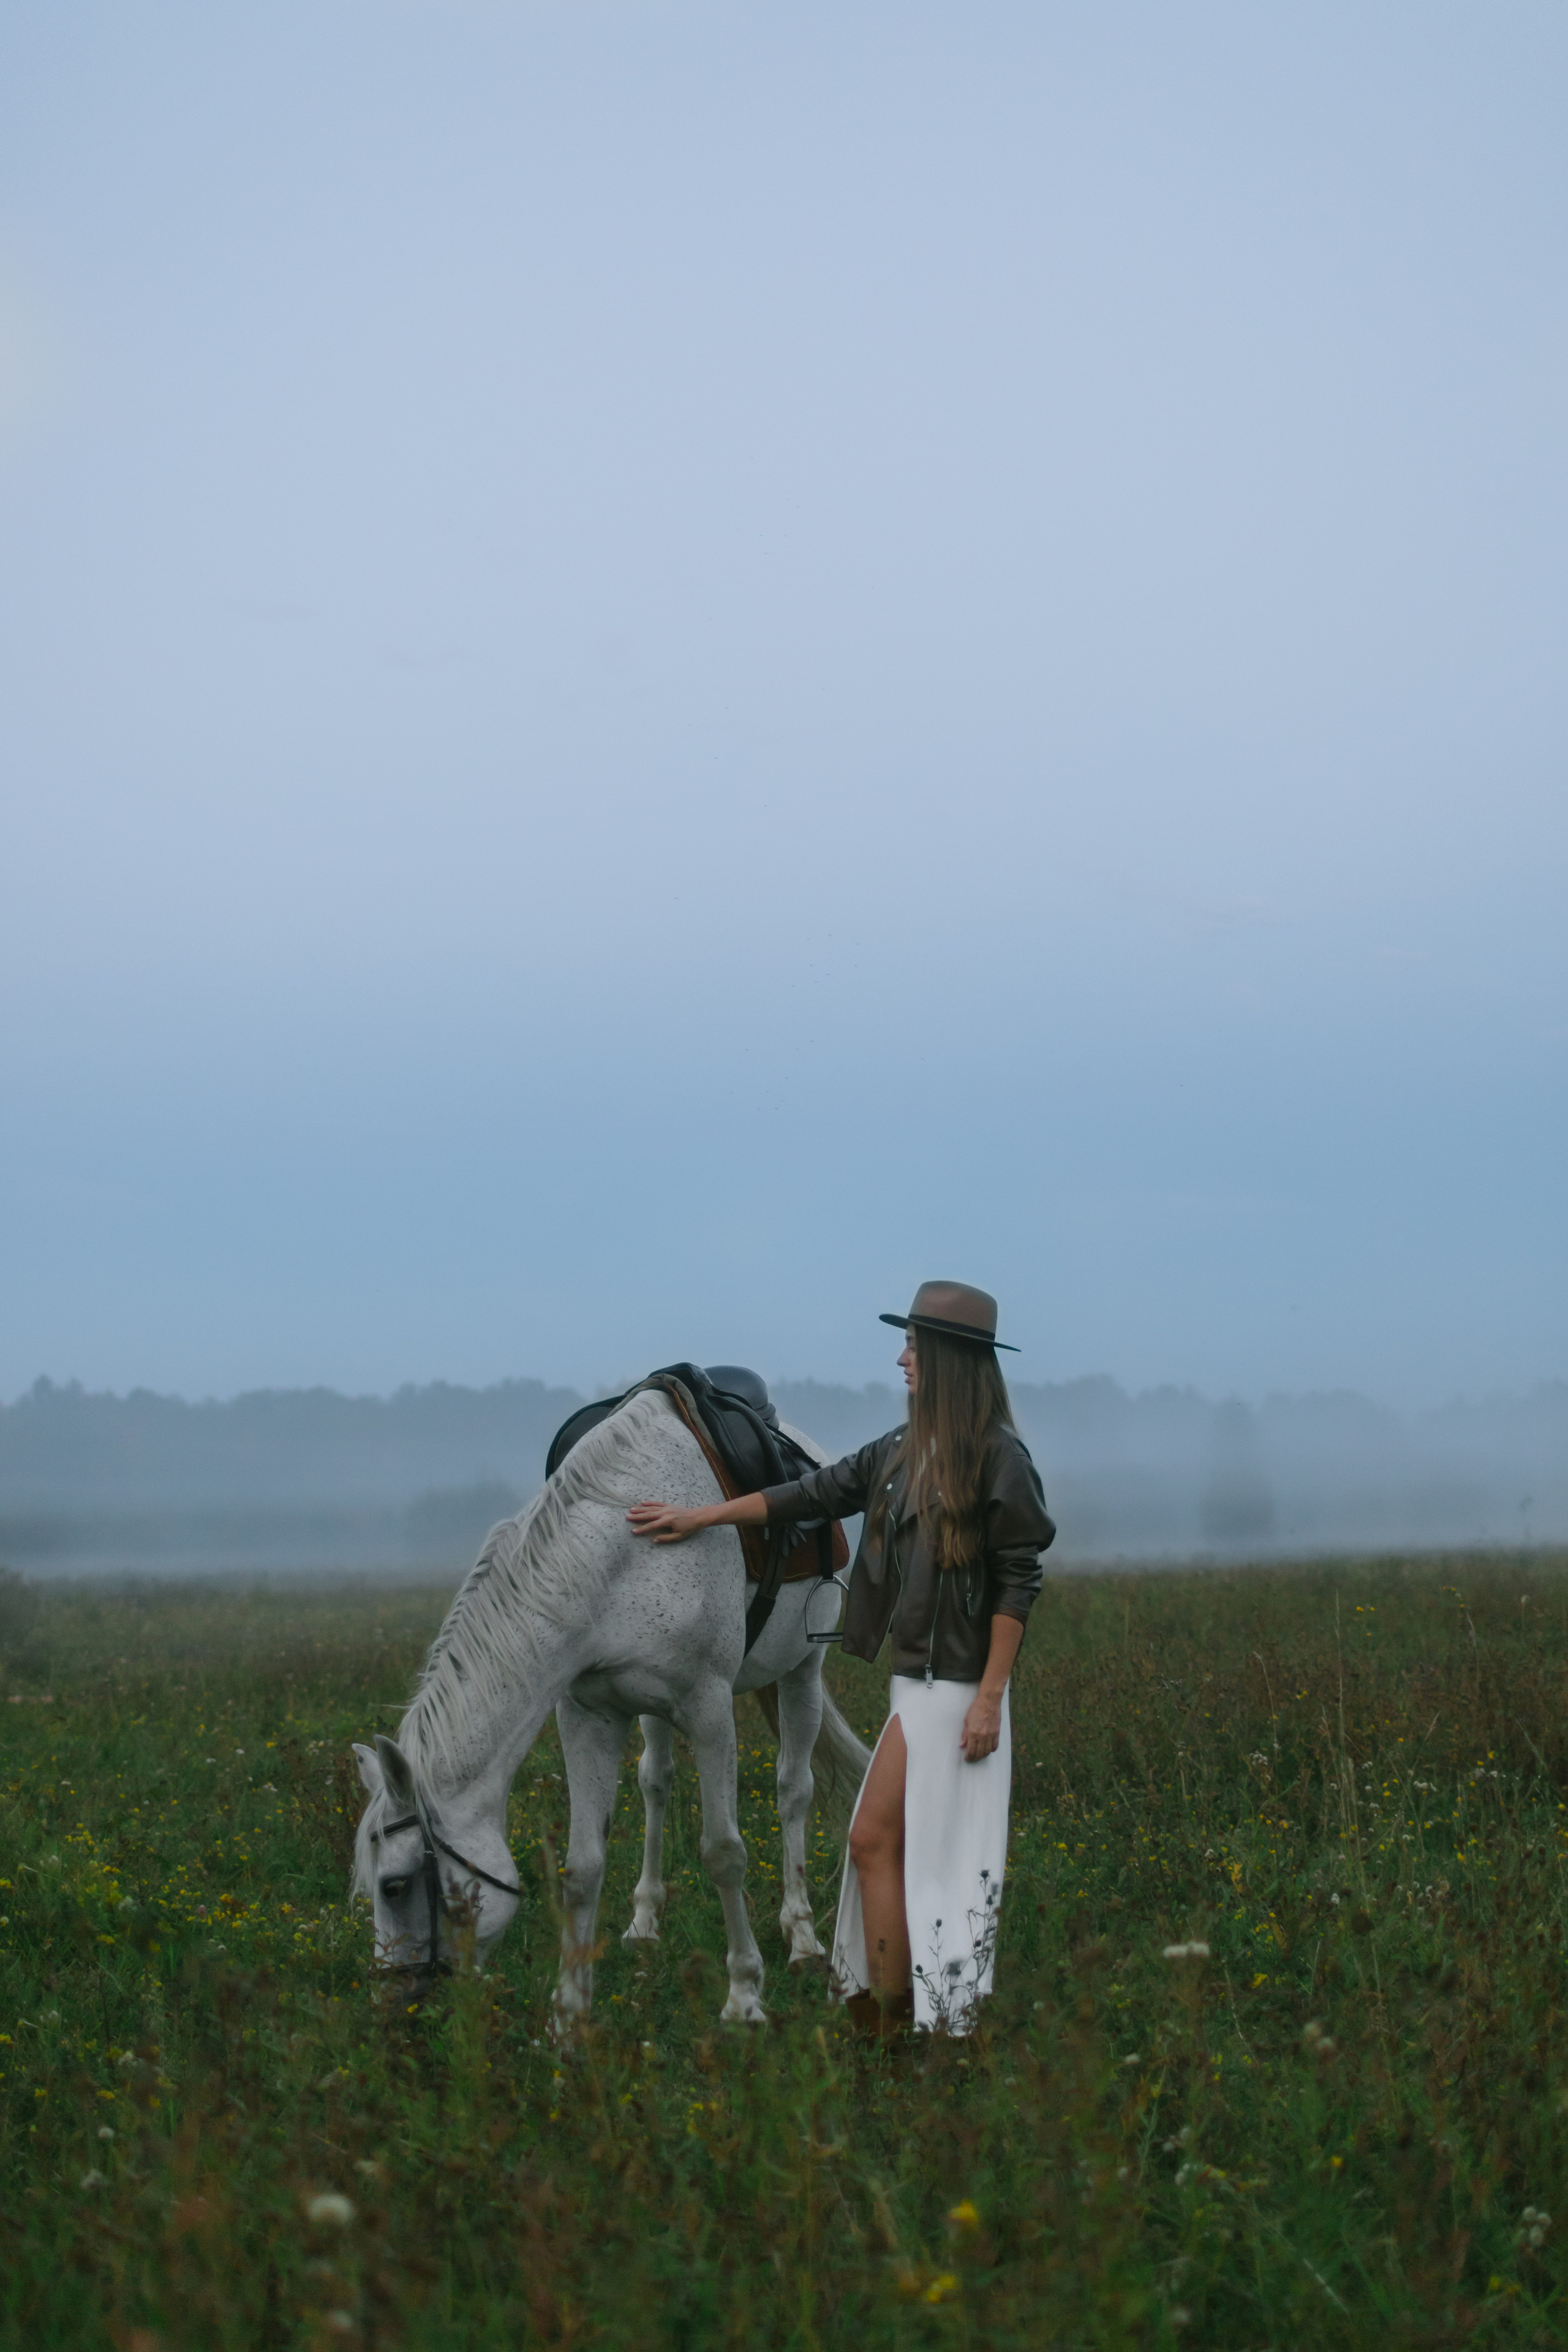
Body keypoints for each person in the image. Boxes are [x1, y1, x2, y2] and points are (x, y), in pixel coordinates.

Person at [627, 1280, 1055, 2035]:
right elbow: (808, 1495)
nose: (902, 1359)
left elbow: (1017, 1583)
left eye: (915, 1348)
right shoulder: (899, 1452)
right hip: (915, 1687)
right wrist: (703, 1516)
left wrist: (990, 1696)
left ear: (952, 1360)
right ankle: (892, 2024)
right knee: (879, 1846)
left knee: (910, 1855)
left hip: (959, 1694)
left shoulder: (999, 1458)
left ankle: (913, 2027)